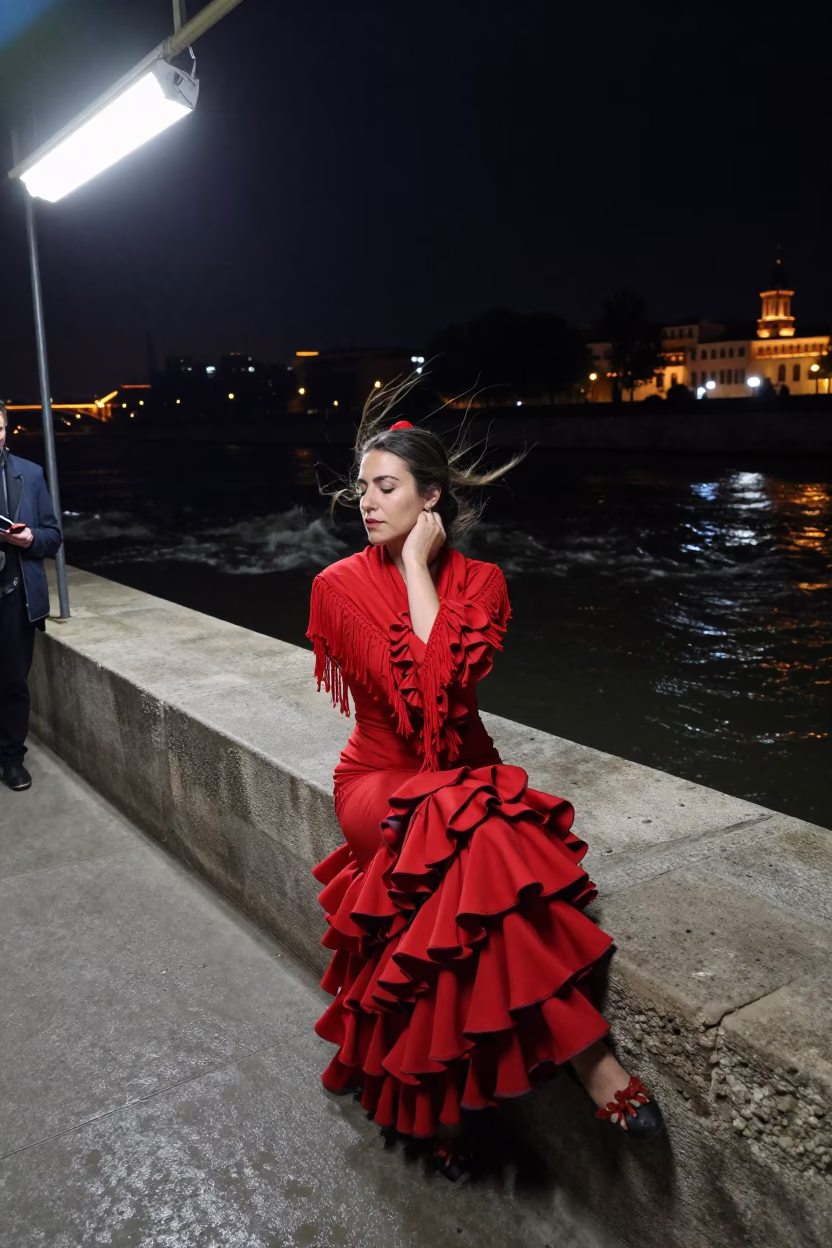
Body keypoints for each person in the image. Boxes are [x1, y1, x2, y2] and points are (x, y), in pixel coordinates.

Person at [306, 384, 664, 1179]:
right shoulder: (337, 587)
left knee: (466, 891)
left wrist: (421, 574)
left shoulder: (485, 583)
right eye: (362, 486)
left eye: (386, 487)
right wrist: (410, 575)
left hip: (459, 778)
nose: (365, 501)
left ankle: (438, 1111)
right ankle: (590, 1061)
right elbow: (419, 709)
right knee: (480, 834)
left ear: (432, 500)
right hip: (380, 782)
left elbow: (448, 697)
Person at [0, 402, 63, 791]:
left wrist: (29, 539)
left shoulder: (32, 474)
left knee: (13, 683)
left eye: (0, 428)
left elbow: (53, 538)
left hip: (14, 596)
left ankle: (11, 759)